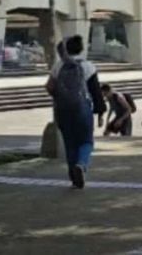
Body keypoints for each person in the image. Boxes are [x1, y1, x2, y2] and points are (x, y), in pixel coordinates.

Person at [45, 35, 105, 189]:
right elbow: (96, 91)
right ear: (81, 48)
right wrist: (100, 112)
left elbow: (49, 87)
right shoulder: (88, 66)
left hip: (63, 110)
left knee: (70, 143)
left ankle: (73, 176)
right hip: (82, 108)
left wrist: (60, 97)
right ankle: (81, 164)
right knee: (86, 141)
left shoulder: (59, 65)